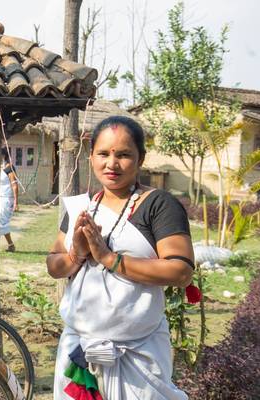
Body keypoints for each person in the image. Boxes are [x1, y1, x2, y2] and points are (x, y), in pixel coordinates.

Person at [46, 116, 194, 400]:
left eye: (124, 154)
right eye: (103, 154)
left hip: (138, 354)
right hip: (79, 349)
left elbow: (180, 271)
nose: (111, 164)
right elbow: (55, 266)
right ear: (91, 157)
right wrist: (79, 253)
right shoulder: (81, 207)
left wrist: (108, 258)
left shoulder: (159, 205)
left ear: (141, 159)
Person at [0, 148, 19, 252]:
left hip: (7, 199)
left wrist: (16, 202)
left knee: (1, 221)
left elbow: (14, 185)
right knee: (1, 221)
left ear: (3, 156)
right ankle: (11, 245)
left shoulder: (9, 168)